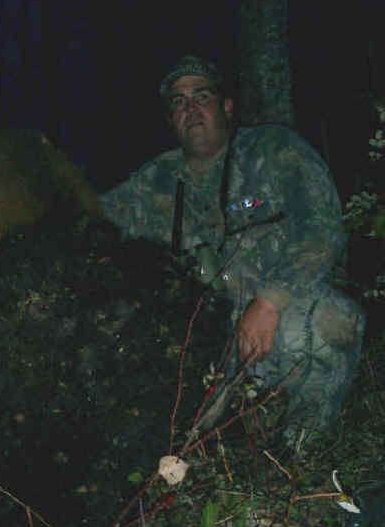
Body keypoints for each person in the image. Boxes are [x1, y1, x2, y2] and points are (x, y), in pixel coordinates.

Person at [100, 55, 365, 453]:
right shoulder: (152, 184)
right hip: (203, 345)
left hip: (274, 325)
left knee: (330, 323)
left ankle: (300, 458)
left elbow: (322, 227)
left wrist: (269, 303)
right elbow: (84, 219)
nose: (190, 108)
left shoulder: (274, 150)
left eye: (200, 96)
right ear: (170, 120)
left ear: (226, 106)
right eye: (178, 102)